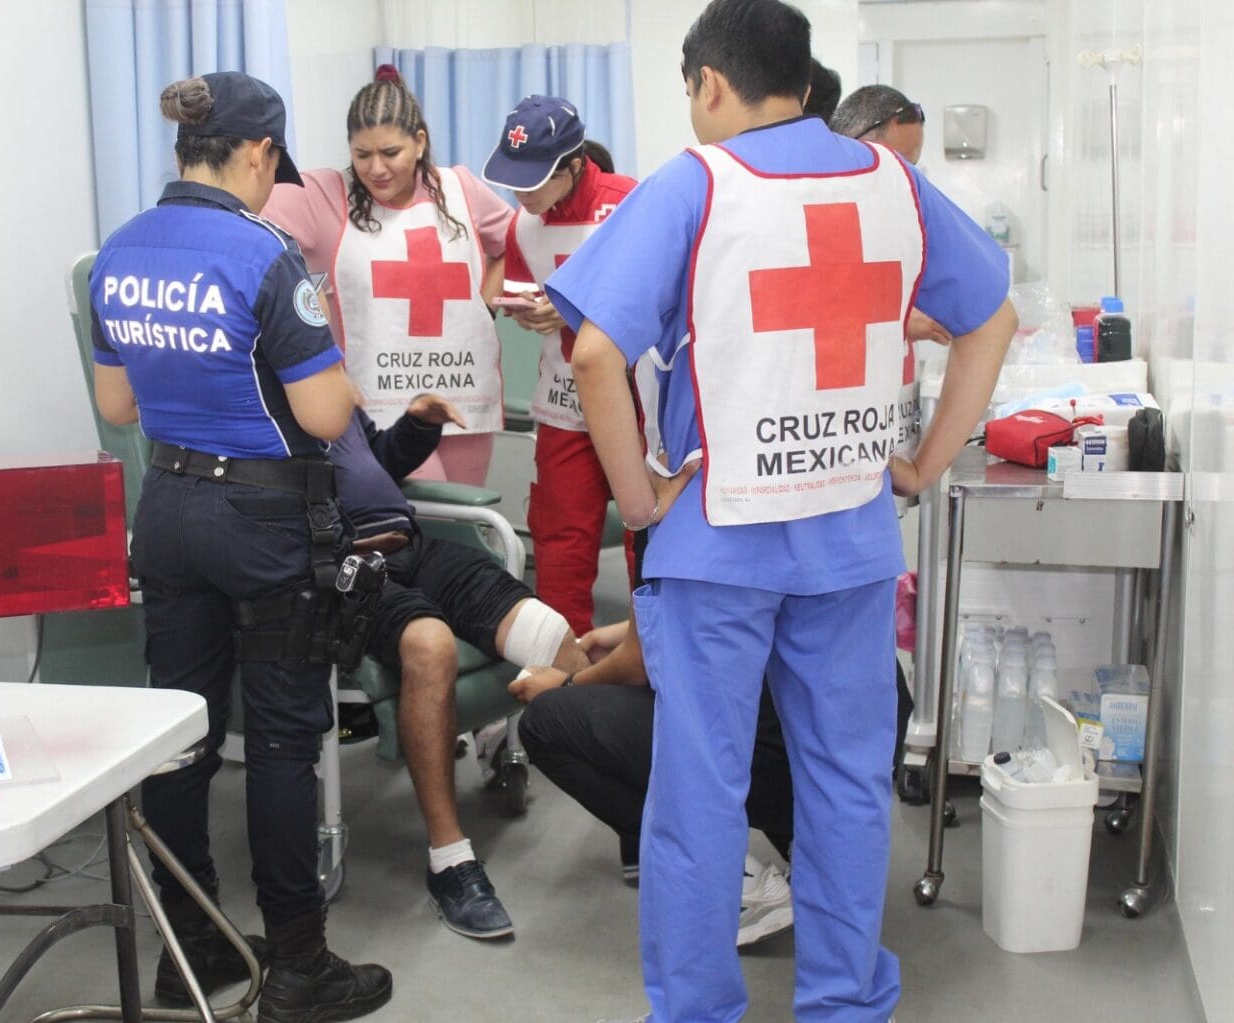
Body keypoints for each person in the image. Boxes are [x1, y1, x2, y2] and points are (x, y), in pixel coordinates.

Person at [546, 1, 1016, 1019]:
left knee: (699, 797)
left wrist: (638, 500)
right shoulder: (895, 182)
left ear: (710, 84)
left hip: (717, 544)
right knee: (846, 785)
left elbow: (591, 351)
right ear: (804, 82)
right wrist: (925, 464)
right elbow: (992, 317)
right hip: (847, 541)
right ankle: (845, 1001)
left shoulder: (695, 184)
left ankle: (701, 1008)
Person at [88, 71, 391, 1023]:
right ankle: (300, 966)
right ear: (258, 153)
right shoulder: (267, 257)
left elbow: (116, 406)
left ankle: (194, 952)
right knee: (282, 742)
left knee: (181, 739)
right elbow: (324, 408)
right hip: (262, 522)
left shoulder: (118, 250)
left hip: (168, 512)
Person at [327, 391, 588, 939]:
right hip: (346, 567)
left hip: (413, 547)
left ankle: (638, 816)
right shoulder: (249, 407)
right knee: (432, 645)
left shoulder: (327, 386)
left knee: (552, 633)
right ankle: (450, 860)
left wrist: (417, 426)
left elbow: (377, 462)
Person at [262, 66, 514, 486]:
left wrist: (486, 306)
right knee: (425, 519)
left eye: (390, 153)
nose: (376, 168)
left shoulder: (461, 188)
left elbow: (516, 242)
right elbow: (244, 219)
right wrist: (311, 299)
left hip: (461, 394)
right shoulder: (324, 193)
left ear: (419, 142)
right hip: (379, 409)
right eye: (362, 155)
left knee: (465, 523)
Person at [512, 616, 797, 947]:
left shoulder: (663, 560)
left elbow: (637, 664)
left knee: (546, 722)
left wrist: (567, 682)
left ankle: (731, 883)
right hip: (824, 759)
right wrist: (626, 631)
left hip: (757, 761)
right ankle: (809, 851)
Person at [479, 95, 641, 635]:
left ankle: (647, 663)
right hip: (564, 405)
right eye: (513, 180)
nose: (520, 194)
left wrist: (573, 311)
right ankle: (561, 674)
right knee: (560, 544)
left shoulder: (630, 205)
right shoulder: (521, 226)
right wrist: (532, 314)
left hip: (636, 404)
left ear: (572, 167)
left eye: (533, 181)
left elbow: (662, 301)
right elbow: (530, 295)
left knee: (651, 539)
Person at [831, 86, 951, 347]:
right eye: (896, 163)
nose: (904, 176)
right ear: (851, 142)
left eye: (911, 167)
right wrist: (896, 317)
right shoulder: (814, 207)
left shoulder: (903, 210)